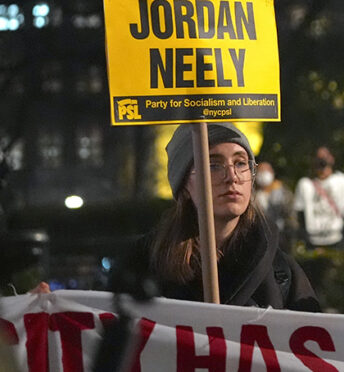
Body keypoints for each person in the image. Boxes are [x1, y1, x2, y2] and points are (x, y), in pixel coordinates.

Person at [119, 122, 320, 311]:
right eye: (213, 165)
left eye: (241, 163)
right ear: (184, 185)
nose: (232, 177)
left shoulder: (282, 273)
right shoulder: (141, 268)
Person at [293, 146, 344, 250]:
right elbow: (300, 215)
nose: (322, 161)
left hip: (337, 238)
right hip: (313, 240)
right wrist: (303, 239)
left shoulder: (342, 181)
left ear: (332, 158)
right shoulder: (304, 184)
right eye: (319, 158)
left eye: (325, 157)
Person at [253, 161, 297, 251]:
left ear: (272, 173)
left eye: (267, 171)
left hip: (281, 239)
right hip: (259, 241)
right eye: (260, 171)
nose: (263, 174)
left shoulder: (282, 191)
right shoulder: (252, 195)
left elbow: (290, 215)